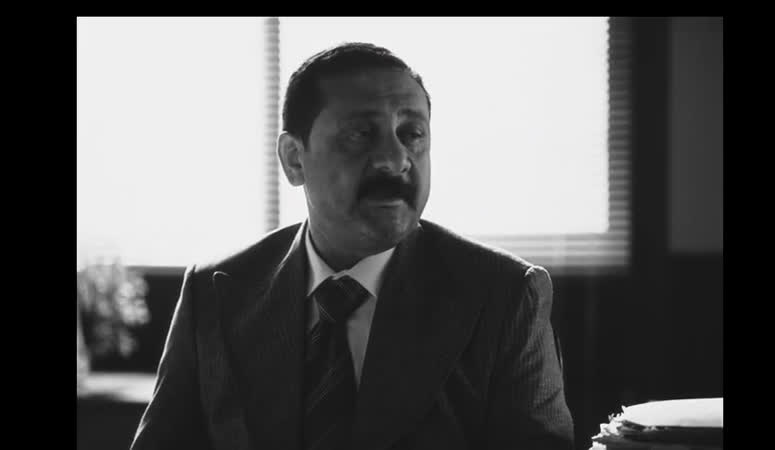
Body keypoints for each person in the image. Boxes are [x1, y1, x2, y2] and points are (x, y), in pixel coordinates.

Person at [131, 42, 574, 450]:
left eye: (412, 134)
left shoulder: (503, 294)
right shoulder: (216, 291)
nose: (395, 160)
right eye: (361, 134)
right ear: (294, 159)